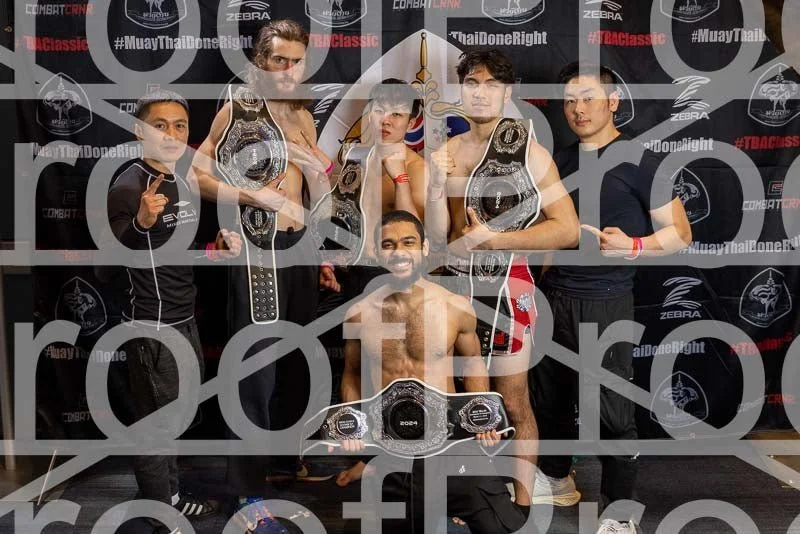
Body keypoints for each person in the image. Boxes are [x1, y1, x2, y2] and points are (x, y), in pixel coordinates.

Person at [529, 61, 691, 534]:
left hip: (605, 300)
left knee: (612, 414)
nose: (578, 109)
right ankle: (557, 478)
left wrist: (635, 246)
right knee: (550, 400)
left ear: (613, 101)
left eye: (589, 98)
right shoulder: (559, 160)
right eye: (570, 100)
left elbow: (681, 232)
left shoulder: (640, 161)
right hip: (554, 298)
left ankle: (620, 512)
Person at [188, 18, 335, 530]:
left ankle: (281, 464)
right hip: (258, 250)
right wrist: (250, 195)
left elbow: (312, 191)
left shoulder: (303, 113)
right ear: (260, 61)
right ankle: (246, 493)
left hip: (300, 249)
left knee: (296, 363)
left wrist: (321, 252)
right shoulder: (239, 109)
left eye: (297, 61)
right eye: (279, 61)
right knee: (255, 371)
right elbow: (196, 174)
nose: (289, 70)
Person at [426, 48, 581, 512]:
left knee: (513, 400)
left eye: (491, 85)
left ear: (507, 92)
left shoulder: (528, 152)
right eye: (472, 84)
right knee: (457, 399)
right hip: (456, 286)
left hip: (508, 287)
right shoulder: (448, 151)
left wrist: (495, 239)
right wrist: (434, 187)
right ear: (460, 90)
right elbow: (439, 237)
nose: (481, 93)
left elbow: (568, 230)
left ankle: (523, 503)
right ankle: (466, 498)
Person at [336, 210, 527, 534]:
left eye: (408, 242)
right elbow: (352, 374)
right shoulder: (359, 314)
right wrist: (351, 423)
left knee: (499, 527)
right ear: (378, 252)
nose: (399, 252)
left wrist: (480, 414)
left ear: (424, 248)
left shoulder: (455, 307)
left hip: (451, 443)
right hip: (393, 448)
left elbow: (472, 361)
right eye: (389, 244)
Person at [106, 90, 242, 534]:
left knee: (175, 419)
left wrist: (213, 249)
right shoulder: (128, 187)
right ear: (139, 131)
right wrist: (140, 223)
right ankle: (159, 511)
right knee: (156, 427)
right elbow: (110, 260)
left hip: (184, 317)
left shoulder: (184, 180)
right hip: (151, 326)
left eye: (179, 125)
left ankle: (171, 496)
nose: (171, 134)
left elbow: (175, 251)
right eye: (159, 125)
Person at [315, 79, 428, 487]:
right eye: (380, 110)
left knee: (391, 371)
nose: (386, 120)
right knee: (355, 364)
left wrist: (399, 179)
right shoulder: (352, 156)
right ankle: (365, 455)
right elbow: (333, 213)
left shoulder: (417, 167)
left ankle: (395, 458)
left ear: (411, 122)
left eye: (397, 113)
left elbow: (414, 230)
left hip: (392, 277)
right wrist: (326, 258)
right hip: (350, 274)